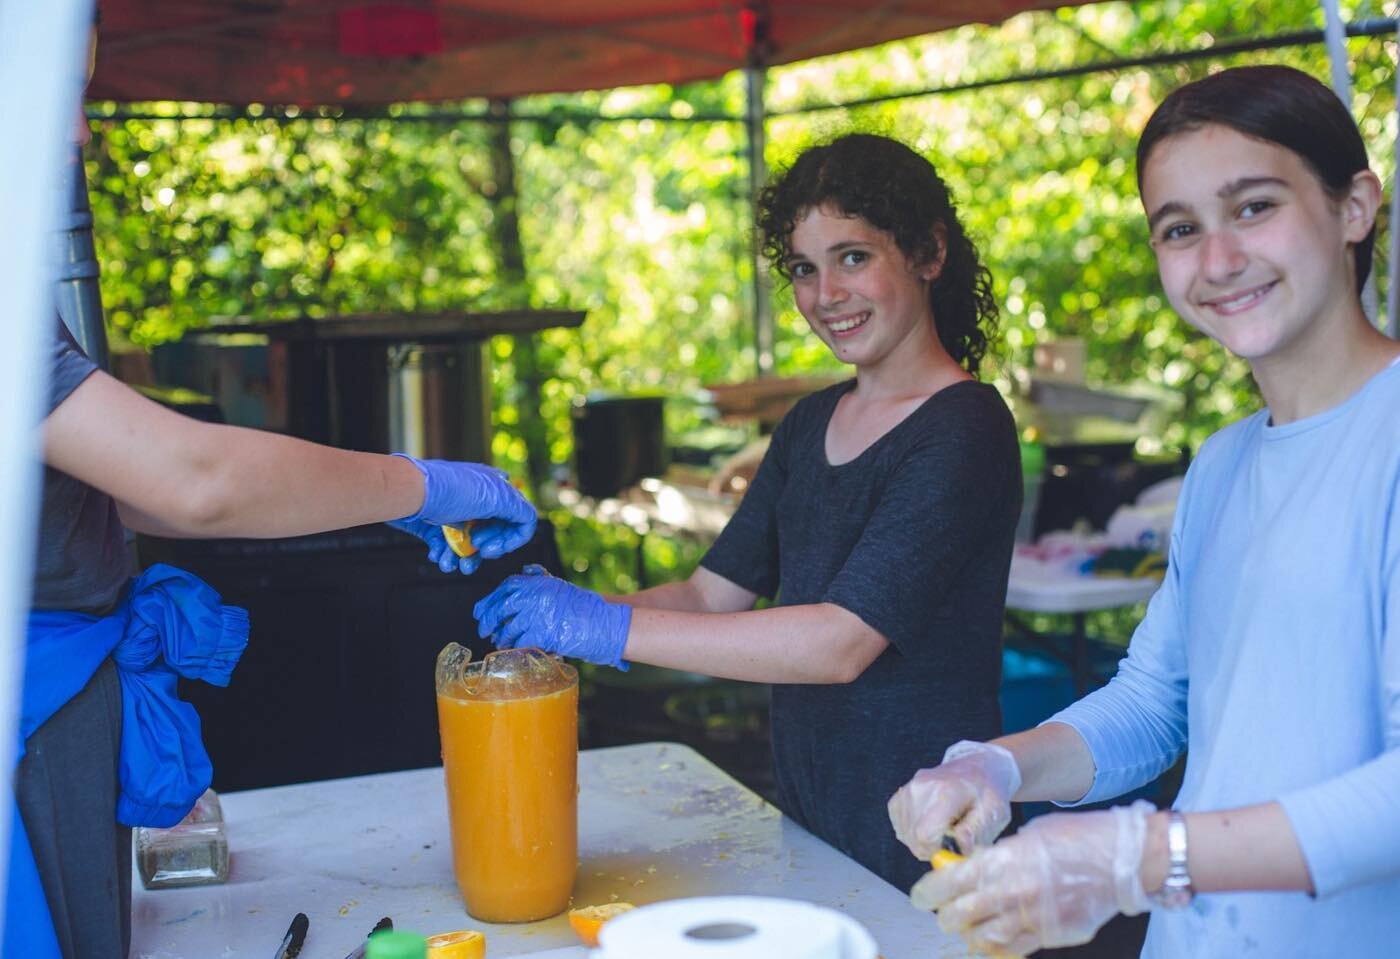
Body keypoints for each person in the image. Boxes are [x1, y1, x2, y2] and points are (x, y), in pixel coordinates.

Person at [887, 64, 1400, 957]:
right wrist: (996, 763)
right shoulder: (1223, 463)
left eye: (1254, 206)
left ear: (1354, 206)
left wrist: (1136, 854)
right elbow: (1153, 703)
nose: (1217, 260)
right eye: (1179, 228)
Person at [473, 133, 1022, 890]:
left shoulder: (964, 426)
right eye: (803, 267)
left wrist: (604, 628)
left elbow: (840, 642)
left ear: (929, 253)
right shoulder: (806, 423)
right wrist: (565, 610)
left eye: (853, 257)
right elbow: (707, 595)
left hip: (929, 831)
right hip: (807, 814)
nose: (826, 293)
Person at [14, 313, 537, 959]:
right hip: (29, 712)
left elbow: (116, 486)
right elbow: (193, 479)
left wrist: (382, 499)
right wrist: (420, 485)